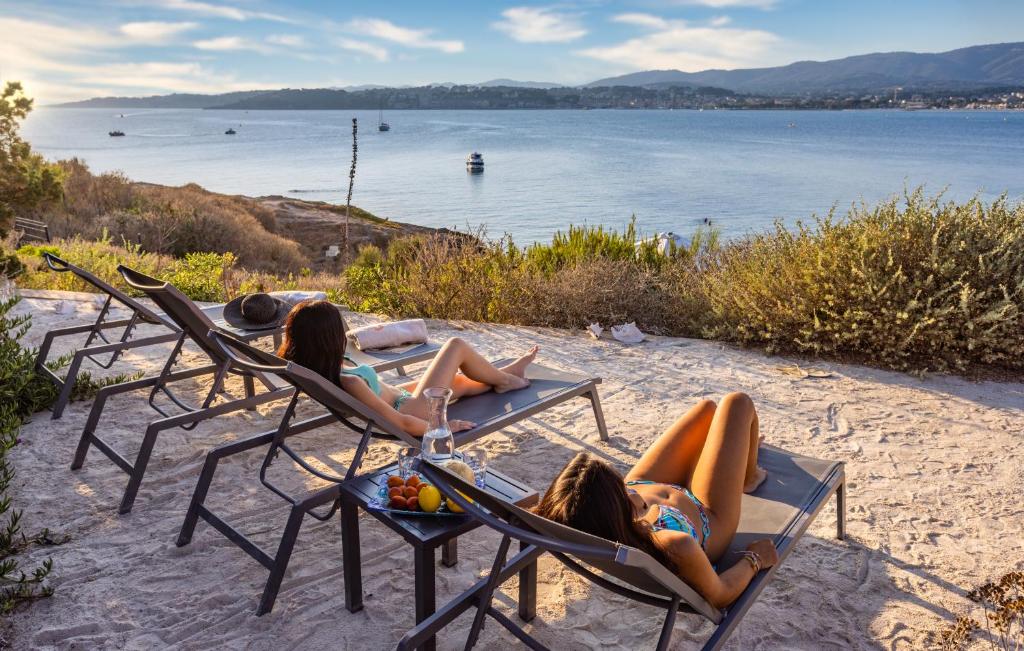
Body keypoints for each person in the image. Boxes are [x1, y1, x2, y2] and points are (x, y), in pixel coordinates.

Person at [534, 393, 777, 609]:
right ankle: (749, 476)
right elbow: (720, 595)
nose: (627, 488)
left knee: (707, 409)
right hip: (707, 513)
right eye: (621, 488)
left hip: (651, 485)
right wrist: (754, 559)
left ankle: (731, 454)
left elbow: (543, 508)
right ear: (614, 507)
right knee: (737, 403)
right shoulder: (674, 544)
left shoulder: (577, 513)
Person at [276, 300, 538, 437]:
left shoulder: (321, 366)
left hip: (402, 396)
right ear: (329, 338)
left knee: (458, 381)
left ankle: (506, 375)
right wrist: (443, 425)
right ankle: (507, 379)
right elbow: (400, 422)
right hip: (412, 410)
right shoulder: (350, 382)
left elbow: (379, 394)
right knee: (455, 345)